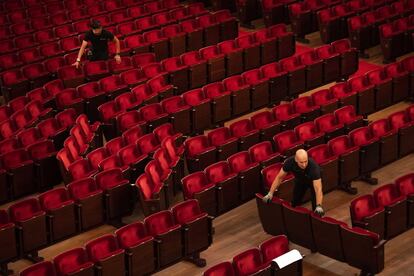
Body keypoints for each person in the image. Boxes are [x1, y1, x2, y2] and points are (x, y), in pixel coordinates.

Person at [262, 149, 325, 216]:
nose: (304, 165)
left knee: (317, 208)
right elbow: (279, 178)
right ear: (296, 160)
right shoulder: (289, 162)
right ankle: (293, 218)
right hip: (300, 181)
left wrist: (319, 206)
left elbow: (318, 189)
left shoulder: (314, 167)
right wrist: (270, 193)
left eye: (305, 161)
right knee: (295, 202)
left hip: (313, 182)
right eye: (301, 162)